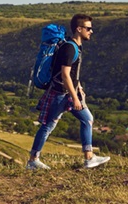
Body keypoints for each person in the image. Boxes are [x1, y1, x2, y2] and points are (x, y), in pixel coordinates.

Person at [27, 14, 110, 170]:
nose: (91, 31)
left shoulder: (73, 47)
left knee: (87, 120)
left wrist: (78, 89)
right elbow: (65, 75)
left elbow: (71, 75)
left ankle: (89, 158)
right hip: (60, 94)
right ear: (79, 29)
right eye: (88, 28)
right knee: (47, 126)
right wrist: (75, 98)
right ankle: (33, 160)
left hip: (66, 93)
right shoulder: (70, 48)